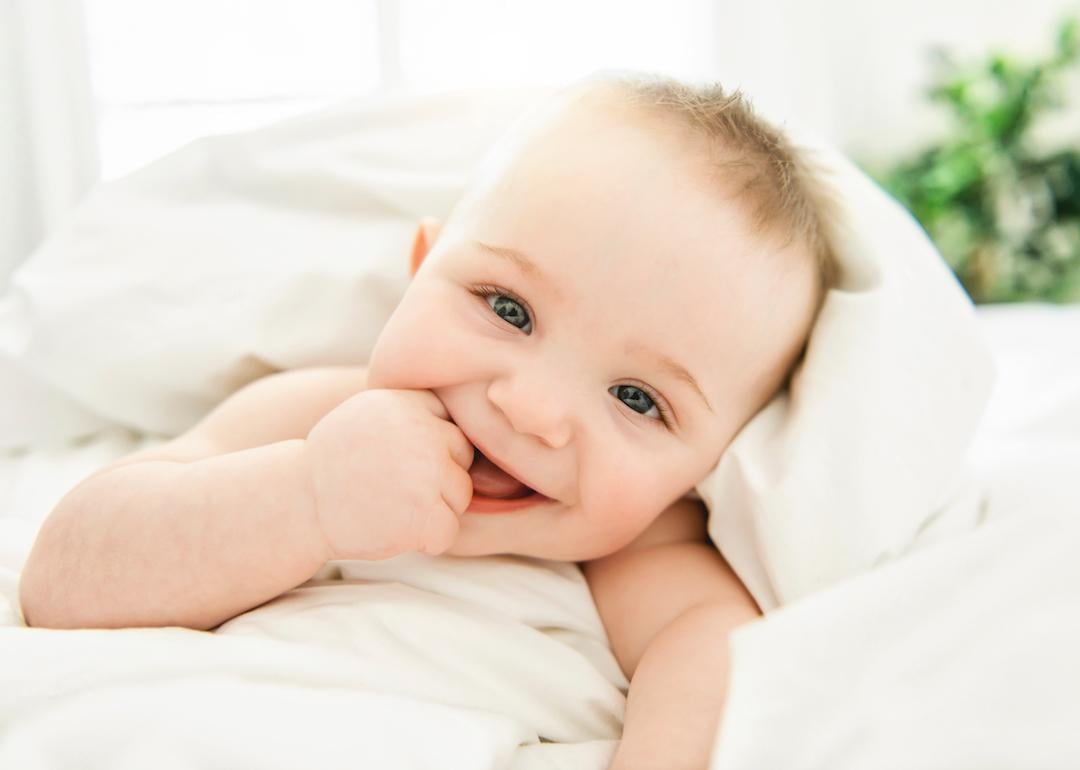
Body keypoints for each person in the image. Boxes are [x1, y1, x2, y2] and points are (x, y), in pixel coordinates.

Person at [19, 71, 838, 769]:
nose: (532, 409)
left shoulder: (632, 551)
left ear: (710, 461)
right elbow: (64, 582)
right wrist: (308, 497)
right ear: (420, 271)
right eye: (508, 308)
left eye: (636, 400)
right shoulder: (313, 417)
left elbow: (712, 660)